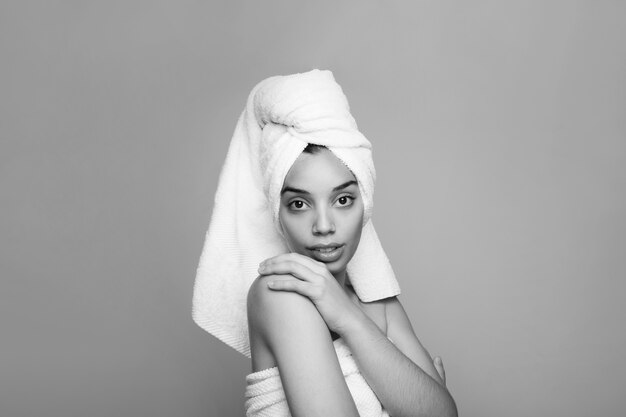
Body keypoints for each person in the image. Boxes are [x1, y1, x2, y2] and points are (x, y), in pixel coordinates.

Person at [192, 69, 457, 416]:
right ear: (277, 214)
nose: (323, 226)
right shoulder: (280, 294)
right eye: (299, 204)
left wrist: (347, 315)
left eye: (342, 200)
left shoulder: (381, 307)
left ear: (365, 203)